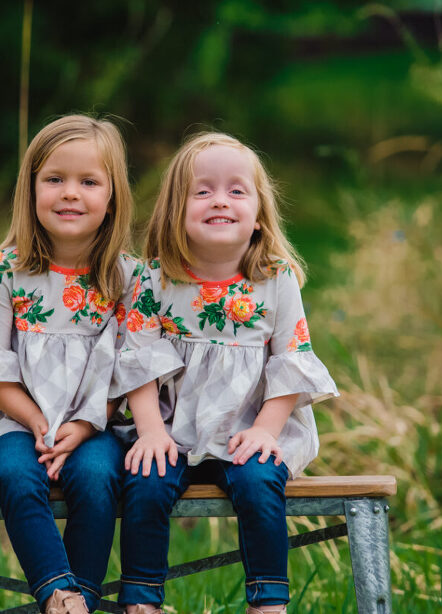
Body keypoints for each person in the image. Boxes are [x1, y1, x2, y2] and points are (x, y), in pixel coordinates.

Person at [111, 132, 339, 613]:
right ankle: (141, 600)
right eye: (203, 191)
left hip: (249, 429)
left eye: (237, 190)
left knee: (258, 483)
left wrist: (265, 431)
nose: (220, 200)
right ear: (175, 211)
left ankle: (268, 601)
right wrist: (151, 432)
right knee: (146, 481)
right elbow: (138, 361)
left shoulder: (274, 278)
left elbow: (292, 362)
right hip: (172, 430)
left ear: (259, 215)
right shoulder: (154, 279)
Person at [0, 114, 137, 614]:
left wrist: (84, 424)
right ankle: (60, 594)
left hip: (96, 425)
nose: (70, 193)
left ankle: (82, 597)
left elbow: (131, 370)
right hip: (16, 423)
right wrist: (37, 421)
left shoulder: (128, 277)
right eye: (54, 179)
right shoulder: (8, 271)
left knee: (97, 478)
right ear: (31, 189)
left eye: (88, 182)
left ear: (113, 196)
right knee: (15, 474)